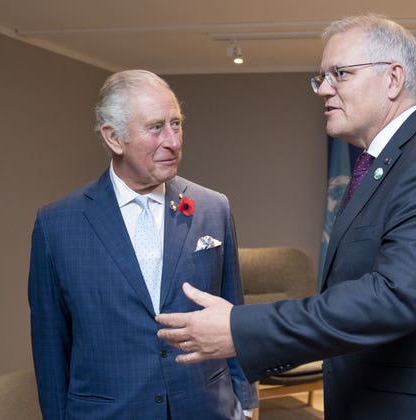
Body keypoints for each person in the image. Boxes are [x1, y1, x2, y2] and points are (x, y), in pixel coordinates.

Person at [156, 14, 416, 419]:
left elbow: (391, 298)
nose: (323, 89)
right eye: (321, 77)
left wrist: (240, 328)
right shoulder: (386, 163)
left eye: (340, 74)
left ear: (393, 79)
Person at [28, 69, 256, 419]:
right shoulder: (57, 225)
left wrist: (246, 403)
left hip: (206, 407)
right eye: (156, 128)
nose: (174, 141)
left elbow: (232, 313)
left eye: (176, 124)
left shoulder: (213, 209)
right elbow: (50, 346)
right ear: (114, 138)